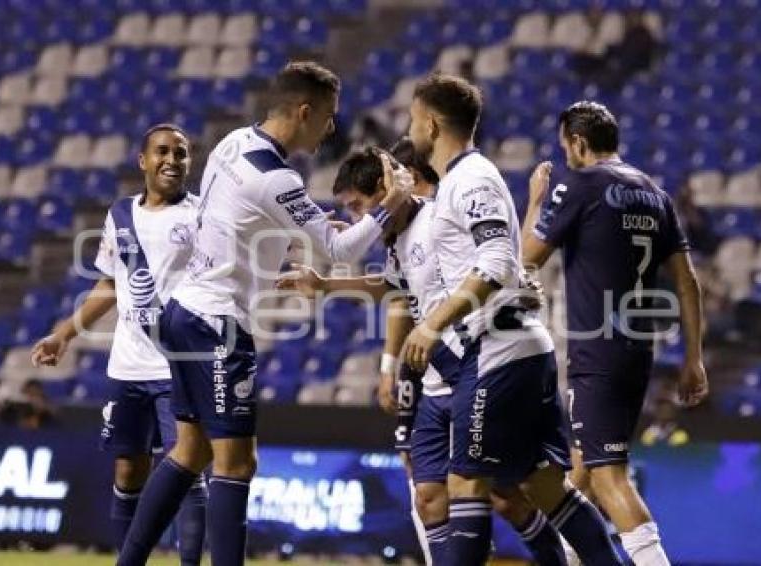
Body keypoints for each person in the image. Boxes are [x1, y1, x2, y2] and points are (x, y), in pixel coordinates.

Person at [115, 62, 412, 566]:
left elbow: (236, 222)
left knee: (189, 452)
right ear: (304, 112)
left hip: (185, 310)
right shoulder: (277, 178)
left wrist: (282, 247)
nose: (332, 128)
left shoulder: (232, 144)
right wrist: (393, 203)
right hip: (218, 326)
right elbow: (340, 250)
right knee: (237, 462)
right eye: (329, 117)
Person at [281, 142, 618, 566]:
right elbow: (394, 286)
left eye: (356, 207)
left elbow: (495, 262)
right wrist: (328, 286)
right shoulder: (398, 239)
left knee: (507, 489)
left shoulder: (439, 219)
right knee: (431, 498)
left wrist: (516, 286)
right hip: (442, 378)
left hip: (483, 362)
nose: (353, 221)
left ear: (385, 193)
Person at [399, 74, 623, 566]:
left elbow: (497, 260)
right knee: (544, 485)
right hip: (514, 348)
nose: (410, 129)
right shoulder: (453, 186)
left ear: (432, 124)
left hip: (496, 352)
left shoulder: (471, 178)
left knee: (468, 482)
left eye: (413, 119)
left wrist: (434, 322)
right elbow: (505, 263)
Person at [521, 100, 708, 566]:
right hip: (636, 351)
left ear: (578, 143)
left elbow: (524, 261)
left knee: (608, 475)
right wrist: (693, 357)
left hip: (597, 349)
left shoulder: (580, 185)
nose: (565, 155)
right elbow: (687, 281)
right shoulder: (654, 194)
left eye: (566, 146)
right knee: (582, 468)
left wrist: (536, 201)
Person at [31, 124, 207, 564]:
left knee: (187, 469)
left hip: (179, 366)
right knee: (128, 472)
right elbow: (109, 286)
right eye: (163, 152)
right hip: (127, 367)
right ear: (142, 160)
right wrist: (63, 334)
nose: (172, 160)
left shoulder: (201, 214)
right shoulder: (120, 214)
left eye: (181, 154)